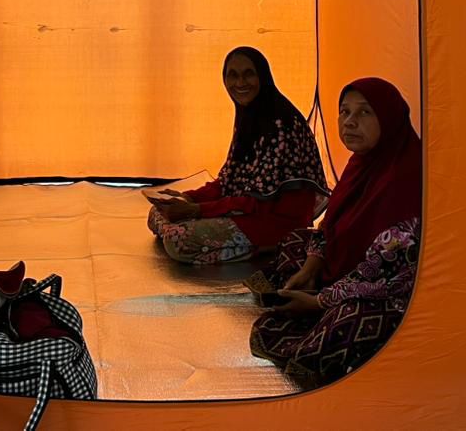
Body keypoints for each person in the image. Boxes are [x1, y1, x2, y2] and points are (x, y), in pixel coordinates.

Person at [247, 77, 422, 386]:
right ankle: (306, 296)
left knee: (353, 321)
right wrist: (311, 267)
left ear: (389, 118)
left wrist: (319, 301)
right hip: (347, 273)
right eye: (344, 111)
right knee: (296, 240)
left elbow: (388, 273)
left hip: (390, 293)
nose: (349, 122)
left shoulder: (408, 177)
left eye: (365, 112)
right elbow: (330, 225)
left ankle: (314, 325)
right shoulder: (361, 164)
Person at [147, 46, 330, 265]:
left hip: (276, 221)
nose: (240, 83)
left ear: (263, 77)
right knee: (157, 213)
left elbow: (259, 202)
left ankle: (271, 247)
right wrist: (187, 198)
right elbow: (229, 181)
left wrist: (196, 210)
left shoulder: (280, 125)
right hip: (248, 211)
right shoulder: (250, 116)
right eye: (232, 75)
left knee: (178, 239)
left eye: (248, 74)